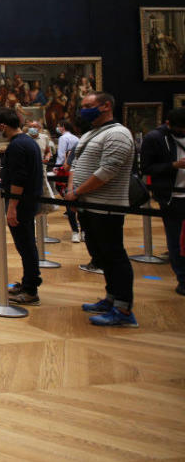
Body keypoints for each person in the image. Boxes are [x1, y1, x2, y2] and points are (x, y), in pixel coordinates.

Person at [66, 92, 138, 325]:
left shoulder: (118, 133)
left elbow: (107, 171)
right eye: (82, 105)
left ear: (106, 105)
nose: (83, 110)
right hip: (89, 205)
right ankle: (111, 297)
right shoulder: (90, 133)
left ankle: (124, 309)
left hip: (107, 206)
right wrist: (73, 194)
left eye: (88, 105)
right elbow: (76, 164)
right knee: (101, 256)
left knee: (115, 256)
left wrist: (77, 193)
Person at [0, 107, 44, 306]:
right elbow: (19, 174)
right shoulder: (28, 142)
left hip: (21, 203)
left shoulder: (16, 145)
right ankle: (28, 282)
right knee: (27, 245)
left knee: (26, 246)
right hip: (27, 201)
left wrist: (12, 206)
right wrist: (4, 180)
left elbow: (20, 178)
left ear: (3, 126)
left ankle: (30, 290)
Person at [140, 107, 185, 296]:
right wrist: (173, 165)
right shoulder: (154, 138)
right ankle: (183, 278)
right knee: (176, 240)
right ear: (169, 124)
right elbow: (146, 168)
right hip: (172, 197)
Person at [54, 120, 82, 242]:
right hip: (76, 172)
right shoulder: (76, 138)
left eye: (59, 126)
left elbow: (61, 155)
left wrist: (57, 166)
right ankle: (81, 231)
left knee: (71, 202)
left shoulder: (63, 138)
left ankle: (76, 231)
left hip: (67, 172)